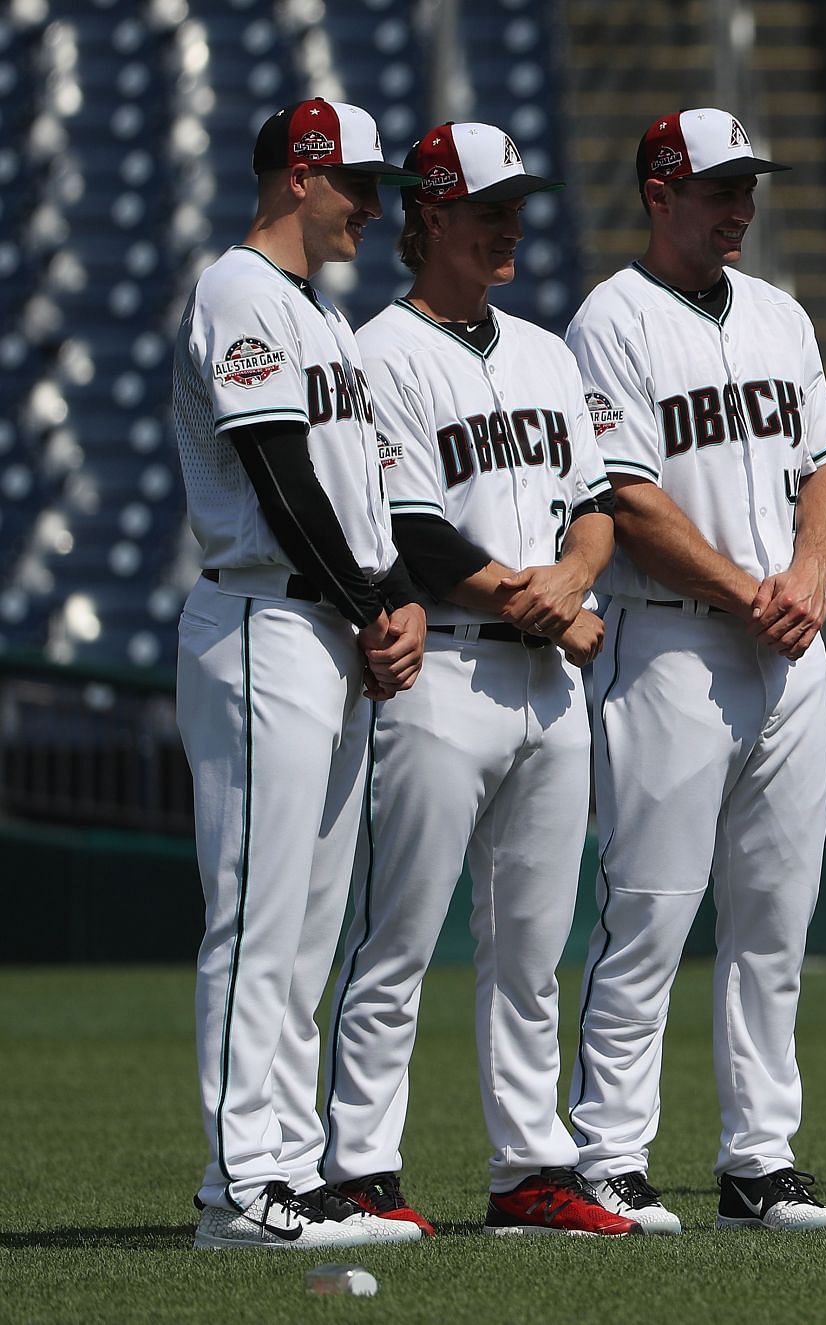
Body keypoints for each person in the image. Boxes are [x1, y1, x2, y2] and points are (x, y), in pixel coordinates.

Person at [317, 122, 636, 1238]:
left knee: (531, 949)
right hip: (441, 672)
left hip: (548, 684)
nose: (510, 224)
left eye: (517, 205)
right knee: (396, 937)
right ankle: (357, 1165)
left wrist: (576, 575)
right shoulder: (376, 351)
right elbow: (404, 522)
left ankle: (531, 1169)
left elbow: (595, 504)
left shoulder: (550, 352)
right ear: (431, 214)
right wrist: (531, 594)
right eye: (489, 206)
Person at [564, 108, 826, 1232]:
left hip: (785, 649)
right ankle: (608, 1153)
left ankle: (759, 1155)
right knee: (649, 907)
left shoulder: (780, 314)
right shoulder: (612, 321)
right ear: (659, 193)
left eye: (748, 187)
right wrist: (756, 591)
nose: (739, 205)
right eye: (717, 187)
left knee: (775, 917)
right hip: (671, 641)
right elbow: (629, 501)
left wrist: (811, 576)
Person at [173, 97, 428, 1250]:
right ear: (296, 178)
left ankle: (285, 1165)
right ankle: (243, 1185)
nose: (373, 208)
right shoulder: (236, 291)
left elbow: (359, 493)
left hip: (327, 628)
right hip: (264, 622)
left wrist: (395, 601)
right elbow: (278, 482)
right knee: (258, 914)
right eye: (356, 185)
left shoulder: (319, 313)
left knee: (311, 920)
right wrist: (374, 605)